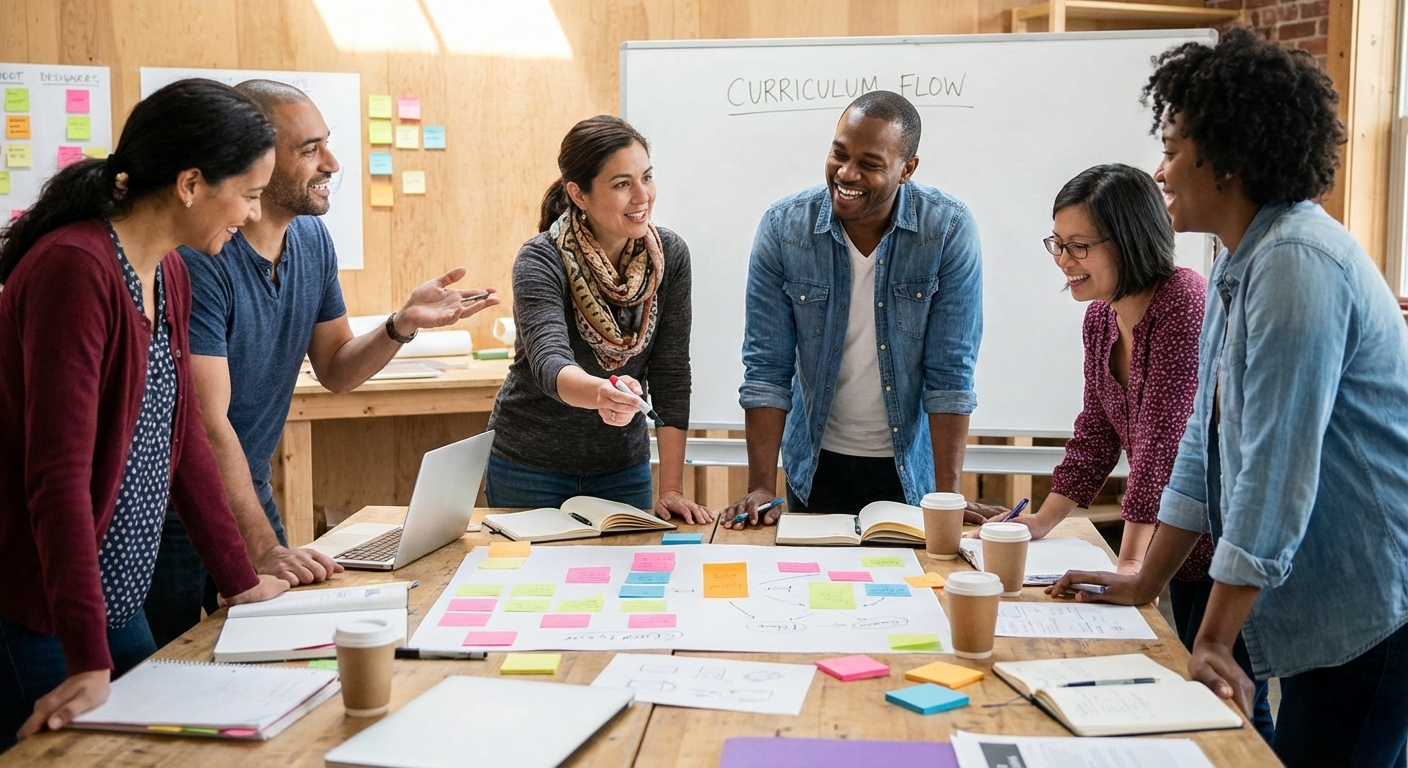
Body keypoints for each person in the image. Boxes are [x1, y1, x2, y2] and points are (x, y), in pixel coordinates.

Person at [1051, 28, 1408, 767]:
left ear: (1230, 159)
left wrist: (1210, 637)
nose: (1161, 169)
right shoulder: (1238, 267)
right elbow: (1200, 445)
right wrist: (1142, 580)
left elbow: (1272, 477)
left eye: (1176, 148)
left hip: (1374, 603)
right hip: (1329, 598)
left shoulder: (1296, 266)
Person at [142, 80, 500, 649]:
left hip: (248, 492)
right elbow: (210, 428)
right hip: (175, 517)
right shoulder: (198, 261)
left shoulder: (312, 237)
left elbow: (335, 367)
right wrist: (264, 549)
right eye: (309, 150)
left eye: (326, 145)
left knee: (276, 652)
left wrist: (400, 325)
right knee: (171, 670)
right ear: (256, 158)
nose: (331, 162)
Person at [0, 79, 289, 749]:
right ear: (190, 183)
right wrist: (87, 656)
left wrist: (239, 582)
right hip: (42, 611)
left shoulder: (172, 271)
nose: (250, 214)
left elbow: (180, 436)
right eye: (247, 194)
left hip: (113, 601)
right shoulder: (75, 268)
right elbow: (58, 476)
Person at [974, 164, 1272, 739]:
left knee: (1239, 702)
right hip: (1179, 548)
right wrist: (1041, 522)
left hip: (1226, 541)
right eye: (1057, 244)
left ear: (1131, 237)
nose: (1064, 260)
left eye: (1080, 246)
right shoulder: (1100, 318)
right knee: (1206, 688)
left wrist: (1133, 566)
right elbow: (1096, 431)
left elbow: (1165, 445)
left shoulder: (1184, 301)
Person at [723, 90, 991, 527]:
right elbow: (766, 368)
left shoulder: (947, 230)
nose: (847, 174)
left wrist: (948, 497)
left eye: (869, 164)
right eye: (839, 154)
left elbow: (951, 373)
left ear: (907, 169)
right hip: (813, 467)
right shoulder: (783, 228)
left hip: (908, 474)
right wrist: (761, 487)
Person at [484, 115, 710, 523]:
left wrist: (672, 488)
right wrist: (603, 393)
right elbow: (549, 363)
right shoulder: (541, 258)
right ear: (579, 194)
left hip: (621, 469)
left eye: (647, 177)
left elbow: (671, 373)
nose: (642, 196)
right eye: (622, 184)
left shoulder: (670, 257)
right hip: (528, 466)